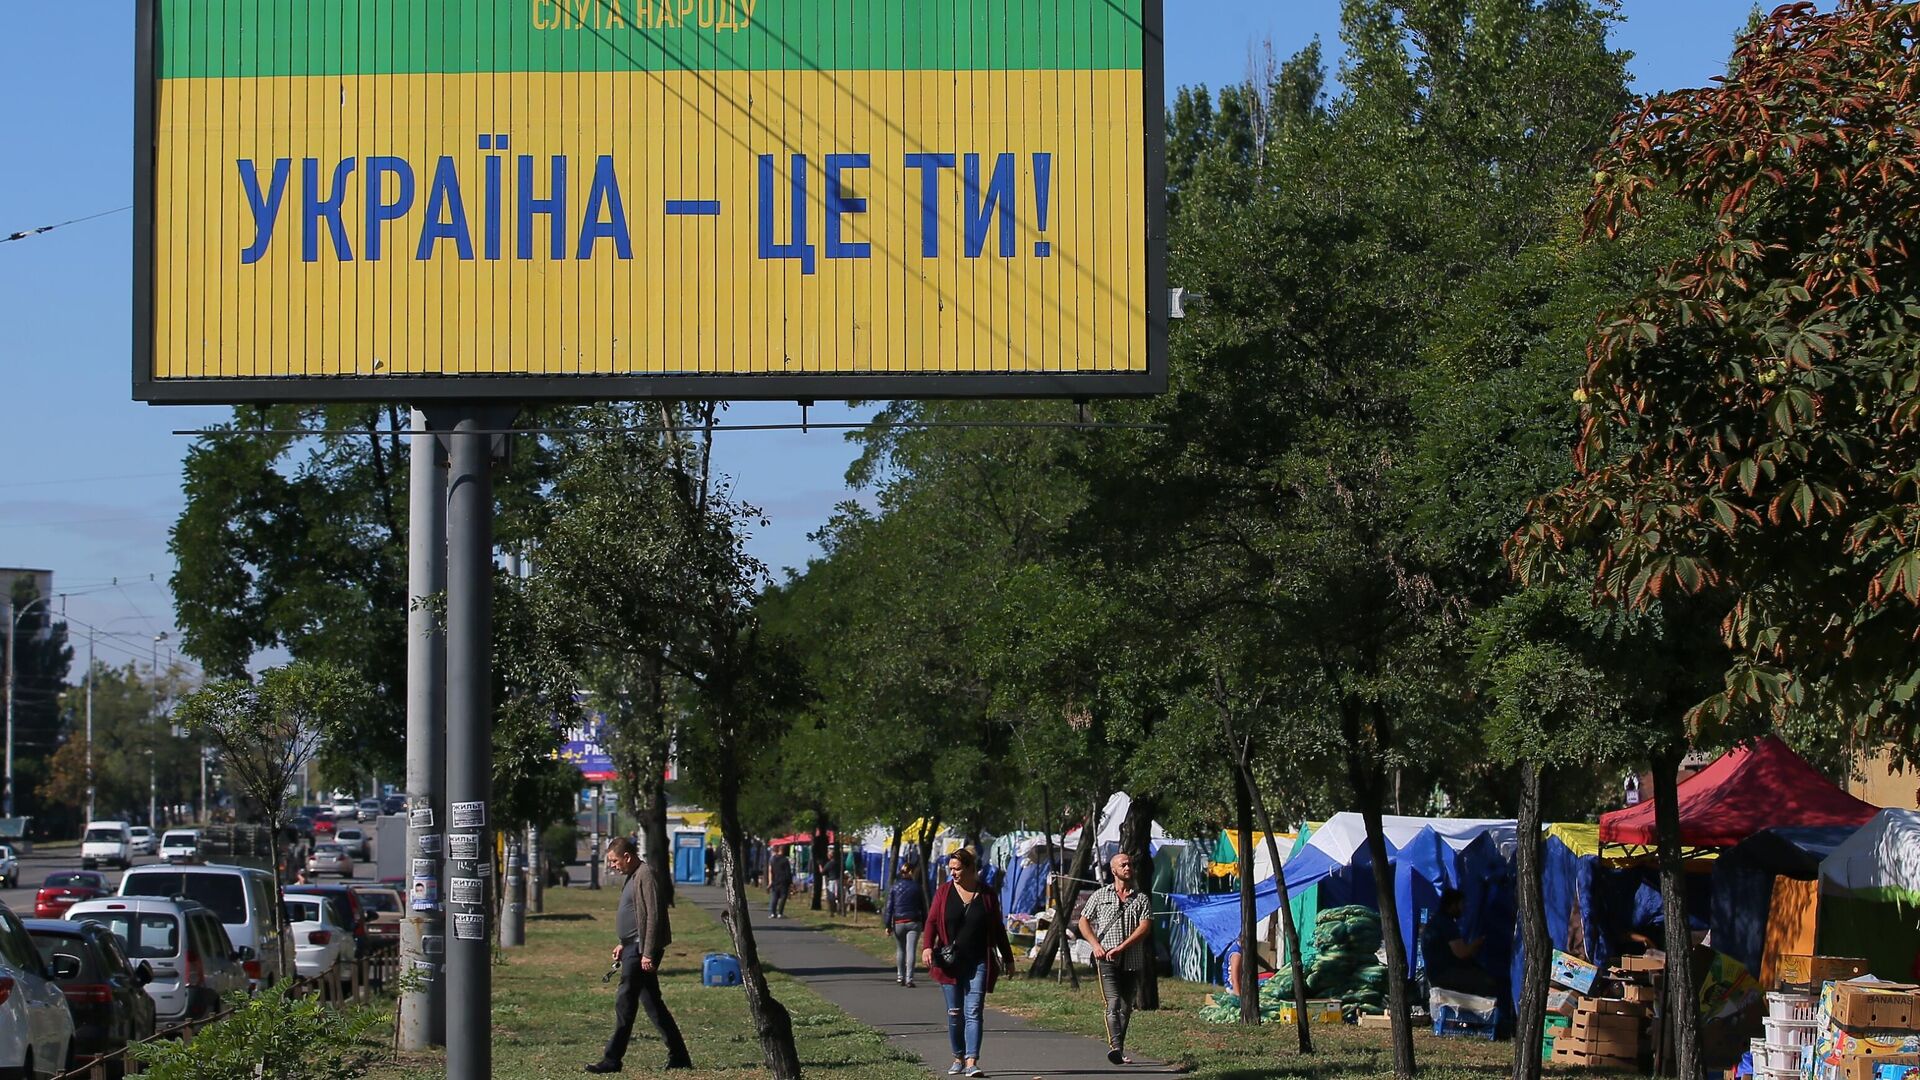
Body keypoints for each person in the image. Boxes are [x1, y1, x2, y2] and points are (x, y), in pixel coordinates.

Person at [585, 837, 692, 1074]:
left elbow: (654, 916)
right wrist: (624, 943)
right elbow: (637, 917)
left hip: (642, 950)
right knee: (653, 1004)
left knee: (625, 1001)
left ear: (627, 857)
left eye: (614, 861)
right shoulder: (633, 876)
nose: (612, 866)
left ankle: (612, 1060)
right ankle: (680, 1055)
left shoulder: (645, 875)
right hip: (634, 946)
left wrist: (647, 952)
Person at [922, 849, 1015, 1078]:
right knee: (955, 1013)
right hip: (949, 962)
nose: (953, 873)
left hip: (978, 961)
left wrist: (1008, 958)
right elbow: (932, 921)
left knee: (973, 1010)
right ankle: (958, 1057)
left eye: (957, 869)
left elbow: (998, 929)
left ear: (972, 869)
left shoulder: (987, 895)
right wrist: (926, 947)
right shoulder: (943, 892)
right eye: (950, 868)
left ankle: (972, 1061)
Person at [1078, 852, 1153, 1066]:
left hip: (1132, 959)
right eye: (1123, 865)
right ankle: (1116, 1048)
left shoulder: (1141, 898)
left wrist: (1122, 947)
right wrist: (1095, 945)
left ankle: (1119, 1046)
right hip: (1106, 960)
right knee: (1113, 1003)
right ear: (1114, 871)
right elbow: (1084, 921)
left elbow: (1145, 927)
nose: (1128, 867)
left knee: (1126, 1006)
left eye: (1130, 864)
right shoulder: (1101, 896)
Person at [1422, 888, 1496, 997]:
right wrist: (1479, 942)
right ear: (1452, 905)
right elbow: (1461, 953)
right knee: (1487, 982)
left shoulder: (1435, 921)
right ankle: (1481, 1011)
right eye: (1461, 904)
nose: (1463, 908)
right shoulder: (1446, 923)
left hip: (1435, 974)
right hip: (1444, 974)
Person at [882, 860, 928, 987]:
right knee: (911, 950)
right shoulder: (917, 887)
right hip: (913, 921)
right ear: (911, 872)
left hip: (898, 922)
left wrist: (887, 925)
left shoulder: (894, 887)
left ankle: (899, 976)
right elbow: (923, 907)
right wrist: (925, 922)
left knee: (900, 949)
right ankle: (909, 978)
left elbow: (889, 907)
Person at [768, 850, 794, 918]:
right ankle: (780, 913)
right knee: (783, 897)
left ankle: (772, 913)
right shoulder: (785, 860)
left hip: (775, 880)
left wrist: (770, 881)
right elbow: (788, 872)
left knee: (774, 897)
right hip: (784, 881)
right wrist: (790, 882)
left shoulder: (773, 860)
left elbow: (770, 871)